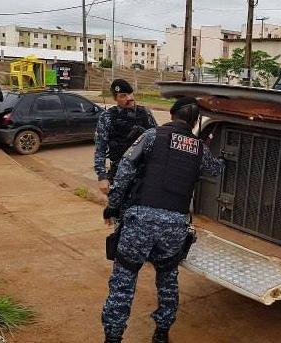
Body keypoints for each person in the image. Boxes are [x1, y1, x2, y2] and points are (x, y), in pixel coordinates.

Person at [101, 97, 224, 343]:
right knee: (168, 279)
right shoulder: (199, 149)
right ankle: (161, 333)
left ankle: (113, 338)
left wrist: (112, 206)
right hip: (175, 226)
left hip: (140, 221)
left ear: (171, 114)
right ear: (195, 121)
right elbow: (216, 170)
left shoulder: (151, 136)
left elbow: (125, 170)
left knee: (124, 281)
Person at [94, 78, 157, 196]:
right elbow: (100, 148)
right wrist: (102, 176)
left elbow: (157, 139)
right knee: (117, 210)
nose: (129, 98)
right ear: (115, 98)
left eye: (130, 94)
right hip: (120, 173)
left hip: (144, 173)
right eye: (123, 96)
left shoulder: (145, 113)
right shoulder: (108, 117)